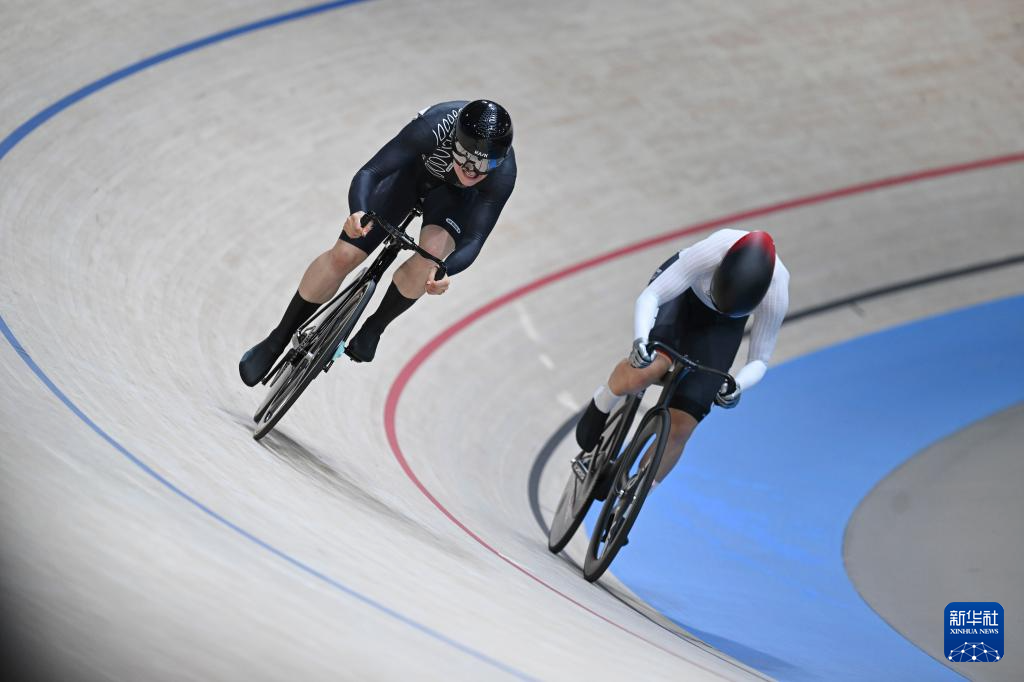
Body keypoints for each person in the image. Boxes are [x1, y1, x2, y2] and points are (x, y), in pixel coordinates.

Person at [239, 100, 516, 385]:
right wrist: (357, 210)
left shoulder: (504, 175)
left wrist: (446, 270)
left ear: (500, 160)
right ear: (454, 140)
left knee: (432, 259)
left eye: (484, 165)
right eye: (465, 157)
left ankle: (374, 327)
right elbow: (370, 173)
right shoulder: (434, 127)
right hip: (409, 177)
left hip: (453, 202)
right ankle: (277, 339)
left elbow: (474, 238)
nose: (471, 170)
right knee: (344, 255)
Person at [575, 229, 789, 486]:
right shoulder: (712, 250)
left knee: (682, 427)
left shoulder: (776, 292)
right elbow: (652, 296)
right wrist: (641, 341)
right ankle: (603, 401)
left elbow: (759, 359)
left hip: (723, 327)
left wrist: (738, 385)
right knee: (649, 370)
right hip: (684, 296)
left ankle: (637, 492)